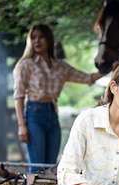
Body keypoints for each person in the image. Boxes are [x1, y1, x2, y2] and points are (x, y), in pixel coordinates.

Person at [13, 24, 105, 173]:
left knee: (51, 168)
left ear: (49, 40)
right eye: (33, 38)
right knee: (37, 167)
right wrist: (21, 125)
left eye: (41, 37)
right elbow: (19, 96)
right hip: (34, 114)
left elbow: (88, 78)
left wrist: (111, 68)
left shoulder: (60, 66)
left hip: (52, 114)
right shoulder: (25, 65)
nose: (37, 41)